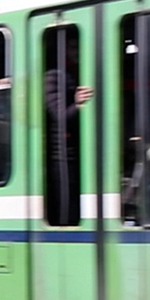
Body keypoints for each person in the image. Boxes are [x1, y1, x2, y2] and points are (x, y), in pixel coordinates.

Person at [45, 34, 92, 226]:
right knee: (68, 208)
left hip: (74, 152)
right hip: (62, 156)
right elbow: (59, 115)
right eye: (72, 47)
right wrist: (79, 104)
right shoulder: (53, 75)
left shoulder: (74, 73)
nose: (77, 52)